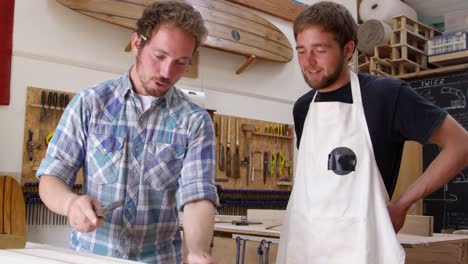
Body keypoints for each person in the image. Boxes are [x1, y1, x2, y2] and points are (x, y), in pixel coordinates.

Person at [277, 1, 468, 263]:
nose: (308, 62)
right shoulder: (302, 108)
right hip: (304, 248)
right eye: (301, 50)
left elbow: (461, 145)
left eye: (320, 50)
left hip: (361, 250)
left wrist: (402, 205)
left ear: (348, 49)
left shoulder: (386, 95)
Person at [36, 2, 218, 263]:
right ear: (137, 44)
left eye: (181, 63)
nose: (167, 72)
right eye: (159, 56)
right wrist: (70, 204)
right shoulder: (90, 104)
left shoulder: (195, 121)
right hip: (92, 257)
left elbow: (197, 195)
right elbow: (51, 177)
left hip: (158, 258)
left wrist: (198, 251)